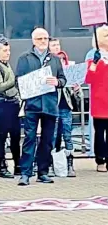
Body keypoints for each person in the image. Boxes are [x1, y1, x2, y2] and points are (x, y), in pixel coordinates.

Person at [15, 28, 67, 186]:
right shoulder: (24, 58)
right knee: (29, 139)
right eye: (39, 39)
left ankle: (43, 172)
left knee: (47, 140)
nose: (43, 41)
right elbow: (18, 80)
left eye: (45, 38)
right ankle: (25, 173)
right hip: (32, 104)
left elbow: (63, 79)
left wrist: (57, 82)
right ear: (33, 41)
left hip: (50, 105)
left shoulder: (55, 59)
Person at [0, 37, 21, 178]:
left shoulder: (7, 65)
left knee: (15, 136)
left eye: (8, 50)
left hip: (13, 104)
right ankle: (2, 166)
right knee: (2, 136)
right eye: (4, 50)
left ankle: (17, 165)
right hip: (2, 105)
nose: (8, 53)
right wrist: (14, 80)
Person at [48, 37, 81, 177]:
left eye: (57, 45)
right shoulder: (47, 64)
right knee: (52, 135)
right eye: (53, 45)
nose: (56, 47)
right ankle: (51, 164)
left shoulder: (68, 64)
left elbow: (76, 93)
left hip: (65, 105)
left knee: (67, 134)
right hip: (52, 104)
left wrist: (76, 88)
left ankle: (69, 163)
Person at [85, 25, 108, 172]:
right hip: (100, 101)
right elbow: (88, 79)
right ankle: (100, 159)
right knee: (99, 133)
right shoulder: (94, 57)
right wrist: (94, 63)